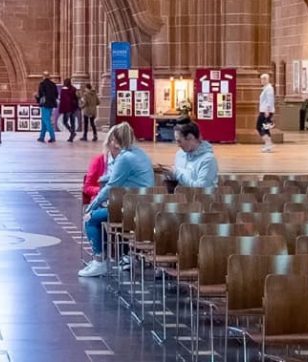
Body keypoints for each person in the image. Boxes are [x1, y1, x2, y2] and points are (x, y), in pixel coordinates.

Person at [78, 122, 154, 277]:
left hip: (131, 209)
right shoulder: (139, 153)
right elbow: (120, 177)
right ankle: (101, 259)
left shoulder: (125, 158)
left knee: (90, 218)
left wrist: (92, 205)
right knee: (100, 215)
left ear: (115, 141)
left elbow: (111, 186)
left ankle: (99, 262)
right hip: (142, 206)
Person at [164, 121, 220, 192]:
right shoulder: (180, 154)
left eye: (179, 141)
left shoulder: (208, 160)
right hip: (181, 198)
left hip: (202, 201)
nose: (178, 145)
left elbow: (201, 190)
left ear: (190, 137)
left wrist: (177, 174)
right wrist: (170, 176)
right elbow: (178, 180)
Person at [257, 74, 278, 153]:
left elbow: (270, 100)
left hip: (265, 111)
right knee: (265, 128)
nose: (261, 81)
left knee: (260, 127)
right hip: (264, 110)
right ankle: (268, 144)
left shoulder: (269, 89)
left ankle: (268, 144)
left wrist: (267, 110)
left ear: (266, 79)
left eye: (262, 79)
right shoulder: (265, 88)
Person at [36, 74, 60, 142]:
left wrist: (36, 97)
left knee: (47, 121)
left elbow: (40, 95)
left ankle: (52, 137)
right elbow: (56, 94)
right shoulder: (53, 84)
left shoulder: (42, 84)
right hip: (51, 105)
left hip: (45, 104)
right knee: (44, 121)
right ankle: (41, 137)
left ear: (43, 77)